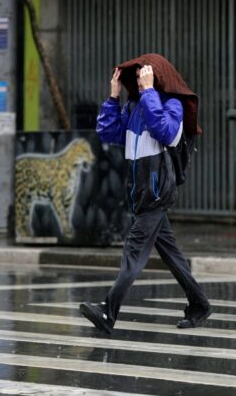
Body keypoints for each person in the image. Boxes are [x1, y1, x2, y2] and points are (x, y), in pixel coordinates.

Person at [79, 53, 211, 334]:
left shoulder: (172, 105)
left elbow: (165, 132)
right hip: (139, 193)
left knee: (133, 252)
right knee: (172, 255)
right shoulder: (134, 106)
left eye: (144, 78)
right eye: (138, 79)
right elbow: (108, 133)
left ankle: (108, 312)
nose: (139, 84)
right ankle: (199, 303)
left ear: (157, 78)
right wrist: (113, 98)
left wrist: (150, 92)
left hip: (157, 192)